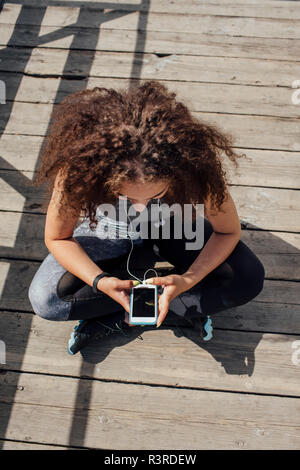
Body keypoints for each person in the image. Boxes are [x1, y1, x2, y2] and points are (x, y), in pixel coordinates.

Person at [28, 80, 265, 355]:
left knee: (248, 279)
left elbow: (228, 232)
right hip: (109, 229)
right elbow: (57, 237)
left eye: (155, 195)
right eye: (126, 197)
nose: (140, 209)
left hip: (175, 226)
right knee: (46, 300)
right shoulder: (79, 169)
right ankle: (181, 307)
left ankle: (137, 313)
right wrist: (100, 281)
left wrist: (187, 279)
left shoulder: (195, 166)